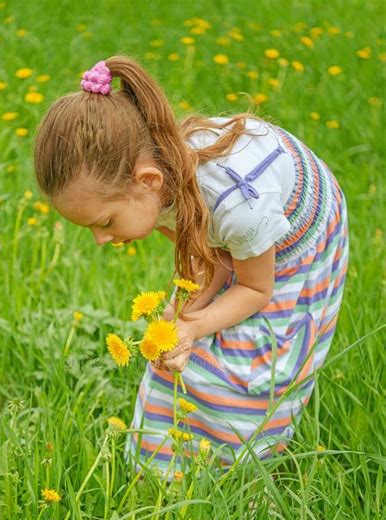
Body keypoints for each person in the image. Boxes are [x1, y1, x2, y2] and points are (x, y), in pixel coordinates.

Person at [33, 55, 349, 481]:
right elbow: (208, 253)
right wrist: (186, 310)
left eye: (104, 222)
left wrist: (195, 327)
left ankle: (241, 476)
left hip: (296, 239)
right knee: (189, 336)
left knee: (254, 360)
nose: (101, 240)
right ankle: (166, 468)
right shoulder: (158, 190)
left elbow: (256, 290)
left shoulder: (238, 207)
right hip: (238, 233)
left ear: (147, 182)